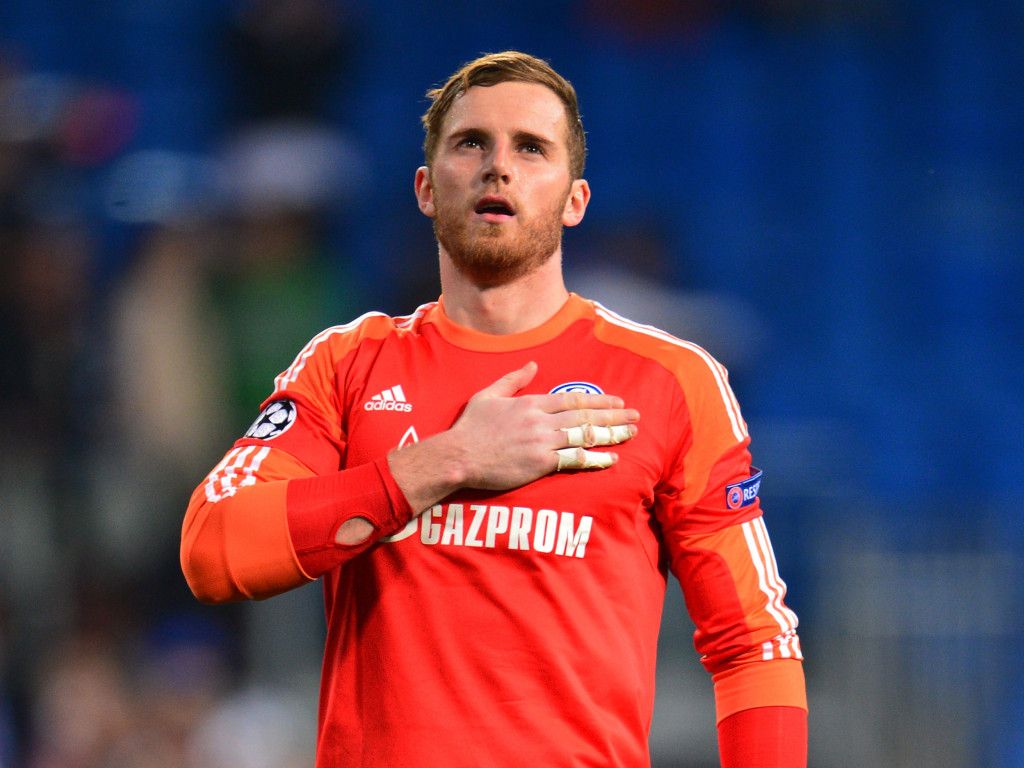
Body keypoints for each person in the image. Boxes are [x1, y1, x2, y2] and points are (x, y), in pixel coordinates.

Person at [181, 51, 807, 767]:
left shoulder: (672, 381)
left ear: (575, 199)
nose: (497, 166)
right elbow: (214, 548)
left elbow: (755, 641)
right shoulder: (349, 362)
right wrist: (448, 460)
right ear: (425, 188)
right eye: (470, 143)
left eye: (531, 148)